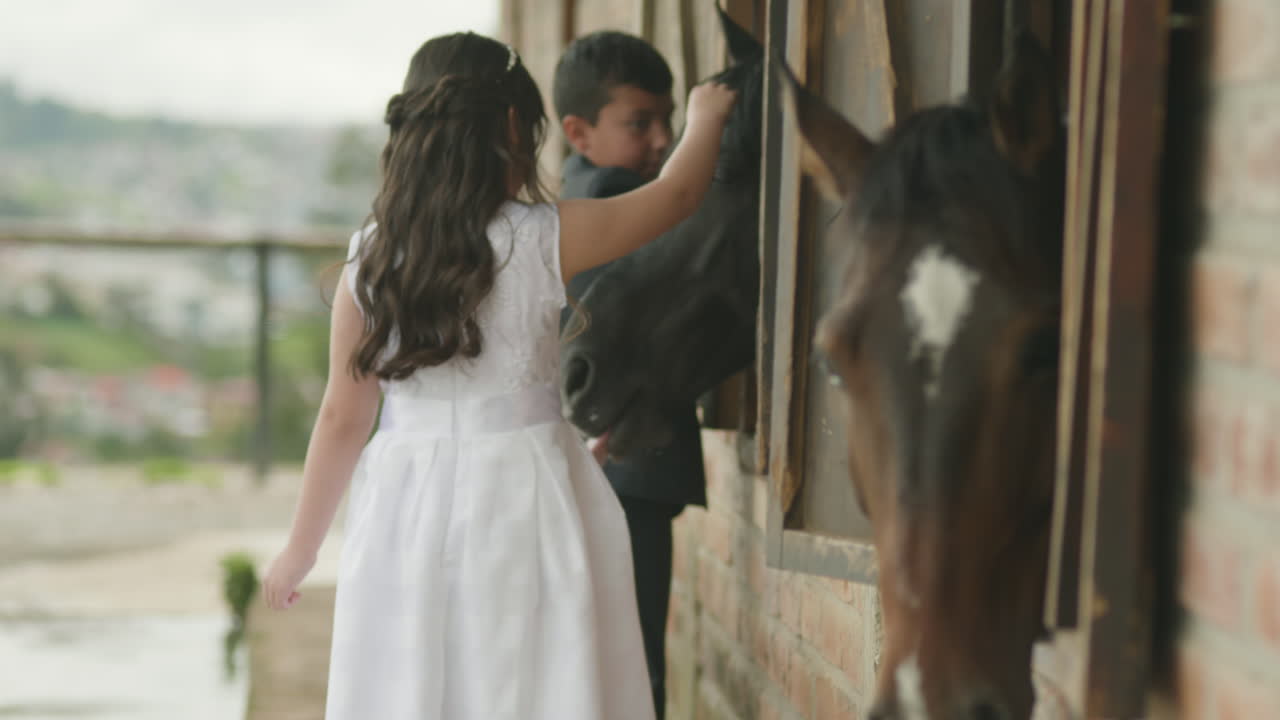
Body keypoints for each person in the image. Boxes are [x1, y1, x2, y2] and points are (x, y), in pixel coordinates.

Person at [260, 31, 735, 720]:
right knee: (529, 675)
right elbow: (679, 194)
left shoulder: (370, 258)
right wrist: (708, 115)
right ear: (513, 127)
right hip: (524, 487)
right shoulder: (542, 235)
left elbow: (342, 417)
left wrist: (300, 550)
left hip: (406, 499)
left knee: (415, 675)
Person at [552, 31, 707, 719]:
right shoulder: (613, 196)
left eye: (668, 120)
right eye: (639, 123)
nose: (662, 140)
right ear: (578, 132)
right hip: (627, 467)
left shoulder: (576, 188)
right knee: (638, 670)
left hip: (611, 471)